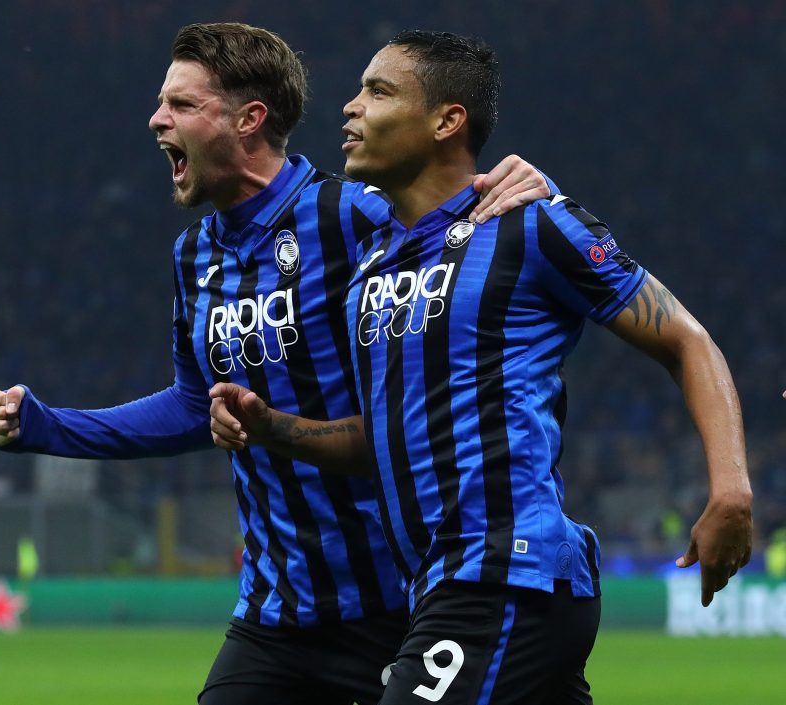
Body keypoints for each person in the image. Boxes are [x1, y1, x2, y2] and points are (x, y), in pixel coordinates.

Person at [0, 23, 554, 705]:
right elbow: (193, 405)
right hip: (276, 613)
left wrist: (529, 186)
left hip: (395, 603)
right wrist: (51, 428)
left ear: (249, 119)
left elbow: (469, 218)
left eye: (182, 104)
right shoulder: (194, 255)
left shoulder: (353, 216)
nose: (157, 119)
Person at [209, 30, 753, 704]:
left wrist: (731, 490)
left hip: (502, 572)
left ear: (447, 121)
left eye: (378, 91)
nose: (351, 106)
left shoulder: (530, 224)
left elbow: (687, 341)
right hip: (442, 583)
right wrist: (275, 428)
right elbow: (389, 441)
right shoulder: (371, 264)